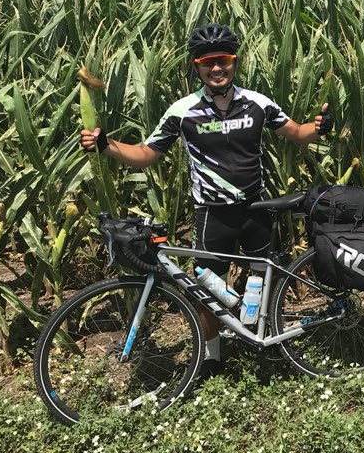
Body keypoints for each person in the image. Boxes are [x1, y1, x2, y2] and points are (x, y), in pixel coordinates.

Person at [79, 23, 332, 377]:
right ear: (196, 66)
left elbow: (297, 133)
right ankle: (212, 359)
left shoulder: (258, 103)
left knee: (264, 277)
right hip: (212, 215)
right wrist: (107, 145)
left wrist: (318, 127)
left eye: (223, 60)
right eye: (207, 61)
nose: (216, 68)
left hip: (255, 208)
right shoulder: (183, 111)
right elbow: (147, 154)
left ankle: (266, 340)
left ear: (234, 62)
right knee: (207, 292)